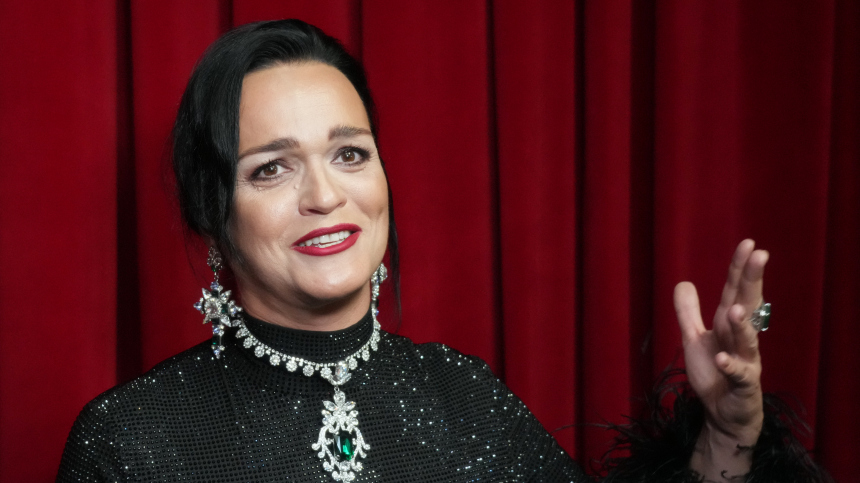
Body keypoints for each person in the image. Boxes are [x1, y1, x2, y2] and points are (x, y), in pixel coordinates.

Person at [57, 20, 827, 482]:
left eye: (350, 154)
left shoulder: (464, 398)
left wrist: (727, 432)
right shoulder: (131, 439)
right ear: (213, 212)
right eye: (272, 168)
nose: (324, 195)